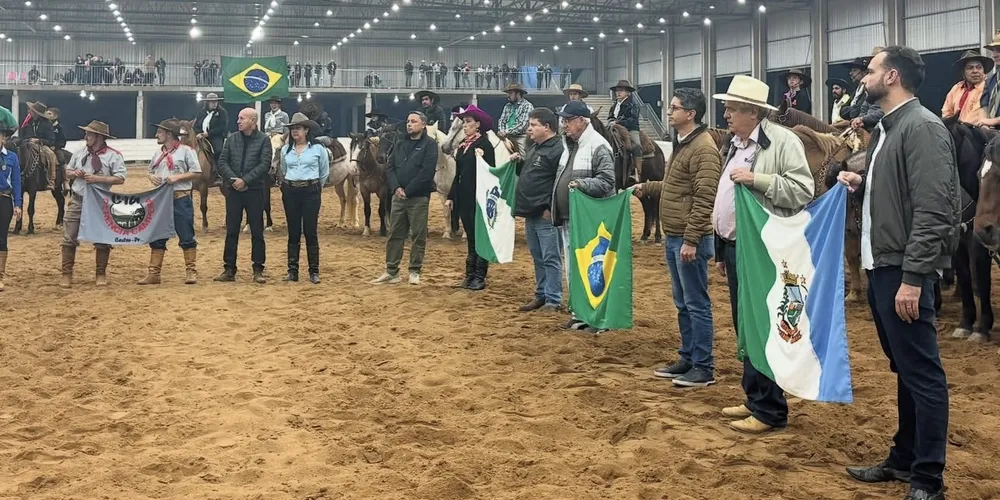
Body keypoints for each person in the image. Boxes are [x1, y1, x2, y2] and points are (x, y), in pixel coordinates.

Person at [839, 46, 957, 500]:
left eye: (868, 71)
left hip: (902, 271)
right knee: (906, 369)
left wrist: (913, 277)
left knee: (923, 376)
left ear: (891, 76)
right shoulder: (889, 128)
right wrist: (862, 182)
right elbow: (901, 192)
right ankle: (904, 459)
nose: (862, 78)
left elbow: (934, 210)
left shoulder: (922, 127)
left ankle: (928, 479)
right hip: (882, 265)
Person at [712, 75, 814, 433]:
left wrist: (758, 180)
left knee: (763, 325)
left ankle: (770, 409)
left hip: (764, 249)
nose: (725, 114)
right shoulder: (734, 143)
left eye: (731, 108)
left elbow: (802, 190)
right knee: (746, 326)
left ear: (752, 112)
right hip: (737, 247)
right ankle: (754, 396)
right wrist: (721, 247)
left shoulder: (783, 142)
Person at [633, 88, 722, 388]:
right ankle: (688, 355)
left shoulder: (704, 149)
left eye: (674, 108)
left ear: (691, 114)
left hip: (687, 238)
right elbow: (676, 186)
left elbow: (704, 197)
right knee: (683, 302)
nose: (669, 112)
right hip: (675, 235)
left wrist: (692, 239)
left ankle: (703, 366)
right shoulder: (683, 143)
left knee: (696, 302)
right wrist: (649, 187)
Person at [553, 100, 617, 333]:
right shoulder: (571, 145)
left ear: (582, 121)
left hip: (590, 220)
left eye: (568, 120)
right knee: (573, 268)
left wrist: (581, 184)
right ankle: (580, 312)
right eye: (563, 120)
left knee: (594, 269)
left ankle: (598, 317)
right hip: (570, 218)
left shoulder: (599, 146)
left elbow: (608, 182)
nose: (564, 124)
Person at [371, 111, 438, 286]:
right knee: (395, 234)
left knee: (418, 234)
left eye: (413, 121)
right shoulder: (399, 143)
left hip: (418, 198)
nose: (409, 124)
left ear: (423, 125)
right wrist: (396, 188)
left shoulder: (430, 145)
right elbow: (390, 168)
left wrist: (408, 190)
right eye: (408, 121)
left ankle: (414, 271)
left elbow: (426, 173)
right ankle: (391, 271)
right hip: (398, 197)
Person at [60, 121, 126, 288]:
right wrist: (74, 173)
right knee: (69, 237)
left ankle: (100, 273)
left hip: (100, 201)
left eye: (89, 134)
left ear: (99, 137)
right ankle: (66, 274)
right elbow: (67, 171)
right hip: (78, 198)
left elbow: (120, 178)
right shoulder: (80, 153)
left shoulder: (113, 155)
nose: (86, 137)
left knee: (102, 237)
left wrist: (99, 179)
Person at [511, 108, 564, 312]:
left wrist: (551, 208)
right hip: (530, 212)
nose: (529, 129)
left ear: (547, 127)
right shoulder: (534, 147)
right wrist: (518, 164)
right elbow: (529, 173)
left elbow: (559, 182)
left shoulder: (558, 149)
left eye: (533, 125)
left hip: (545, 214)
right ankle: (541, 294)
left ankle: (553, 299)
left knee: (551, 256)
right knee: (537, 255)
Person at [138, 119, 202, 285]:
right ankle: (154, 273)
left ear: (169, 134)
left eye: (159, 132)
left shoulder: (187, 151)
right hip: (161, 200)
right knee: (157, 235)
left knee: (186, 233)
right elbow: (150, 170)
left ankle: (191, 271)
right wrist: (152, 177)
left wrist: (177, 177)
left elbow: (196, 172)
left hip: (180, 197)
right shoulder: (158, 154)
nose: (156, 135)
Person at [214, 108, 273, 284]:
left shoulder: (264, 140)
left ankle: (258, 269)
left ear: (253, 121)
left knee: (257, 231)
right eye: (238, 118)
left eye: (242, 118)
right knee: (231, 230)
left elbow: (264, 164)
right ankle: (229, 269)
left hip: (255, 191)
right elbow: (222, 162)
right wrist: (234, 180)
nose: (238, 121)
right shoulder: (231, 139)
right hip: (234, 191)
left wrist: (245, 180)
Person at [446, 105, 496, 290]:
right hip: (464, 197)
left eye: (468, 122)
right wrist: (451, 195)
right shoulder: (462, 148)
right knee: (471, 237)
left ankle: (479, 275)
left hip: (479, 197)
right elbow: (457, 174)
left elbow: (491, 172)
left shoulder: (485, 145)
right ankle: (469, 275)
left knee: (479, 236)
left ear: (478, 125)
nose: (464, 126)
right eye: (464, 122)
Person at [278, 113, 329, 284]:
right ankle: (292, 270)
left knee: (310, 231)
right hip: (291, 190)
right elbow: (284, 170)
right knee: (293, 231)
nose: (294, 132)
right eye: (292, 129)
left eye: (297, 128)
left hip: (311, 191)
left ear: (306, 130)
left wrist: (314, 186)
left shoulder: (318, 149)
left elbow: (324, 172)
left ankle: (314, 271)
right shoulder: (285, 150)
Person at [0, 107, 22, 292]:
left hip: (4, 200)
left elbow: (16, 182)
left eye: (1, 135)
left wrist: (18, 204)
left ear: (4, 138)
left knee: (2, 238)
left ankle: (0, 276)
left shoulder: (12, 158)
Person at [607, 79, 644, 183]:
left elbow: (632, 119)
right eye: (617, 90)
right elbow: (610, 116)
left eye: (621, 90)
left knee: (636, 146)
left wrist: (617, 122)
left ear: (628, 92)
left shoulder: (633, 104)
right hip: (615, 128)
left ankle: (637, 172)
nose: (618, 93)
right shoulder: (614, 105)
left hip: (630, 129)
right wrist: (611, 122)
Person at [942, 49, 990, 123]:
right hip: (957, 132)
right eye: (970, 68)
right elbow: (947, 113)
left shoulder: (989, 87)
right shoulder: (956, 89)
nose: (975, 71)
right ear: (963, 72)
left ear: (984, 70)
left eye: (979, 67)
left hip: (982, 132)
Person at [839, 54, 885, 131]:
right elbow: (843, 111)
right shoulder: (855, 92)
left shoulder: (878, 91)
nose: (851, 73)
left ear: (864, 72)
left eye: (854, 70)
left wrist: (861, 118)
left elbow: (856, 112)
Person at [20, 101, 58, 190]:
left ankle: (51, 180)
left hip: (42, 145)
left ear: (37, 113)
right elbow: (24, 135)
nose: (29, 111)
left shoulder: (47, 124)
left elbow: (51, 140)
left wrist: (38, 140)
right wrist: (28, 139)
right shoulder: (29, 122)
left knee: (50, 154)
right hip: (28, 143)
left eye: (31, 110)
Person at [194, 93, 230, 167]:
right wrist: (198, 133)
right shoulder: (201, 112)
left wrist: (208, 134)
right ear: (207, 103)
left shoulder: (222, 112)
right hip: (201, 136)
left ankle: (218, 171)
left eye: (216, 101)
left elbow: (222, 127)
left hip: (215, 137)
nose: (214, 103)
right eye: (212, 101)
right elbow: (196, 125)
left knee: (218, 151)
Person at [497, 82, 534, 154]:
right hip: (505, 135)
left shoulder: (527, 106)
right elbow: (502, 120)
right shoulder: (507, 106)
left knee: (523, 155)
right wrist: (502, 130)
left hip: (520, 136)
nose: (508, 95)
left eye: (510, 93)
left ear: (518, 94)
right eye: (508, 93)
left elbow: (523, 125)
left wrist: (506, 132)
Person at [974, 31, 1000, 127]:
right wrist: (983, 122)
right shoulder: (990, 80)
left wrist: (994, 121)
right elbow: (984, 105)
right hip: (992, 134)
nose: (994, 55)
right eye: (993, 50)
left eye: (999, 50)